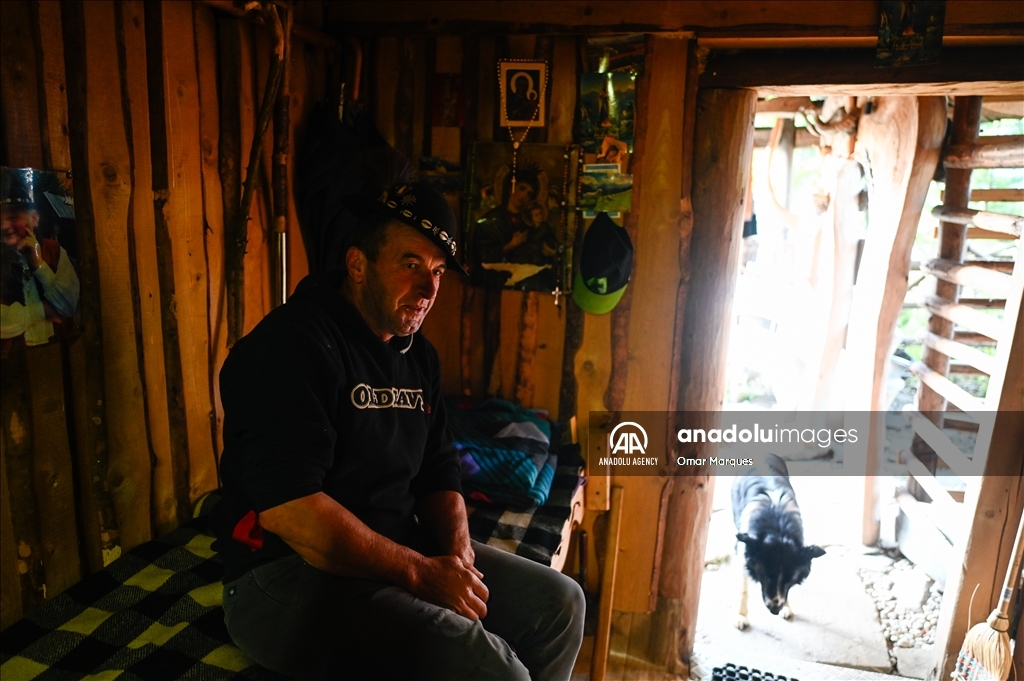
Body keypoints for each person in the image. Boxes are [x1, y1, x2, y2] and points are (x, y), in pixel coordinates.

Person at [212, 181, 585, 681]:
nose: (429, 290)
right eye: (411, 264)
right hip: (288, 574)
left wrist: (457, 557)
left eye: (437, 271)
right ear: (357, 264)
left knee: (560, 604)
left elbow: (439, 469)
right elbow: (291, 510)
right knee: (495, 670)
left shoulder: (418, 357)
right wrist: (419, 572)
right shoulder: (291, 347)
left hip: (395, 550)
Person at [0, 168, 80, 349]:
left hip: (59, 349)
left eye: (13, 217)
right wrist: (44, 311)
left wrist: (39, 265)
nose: (4, 226)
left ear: (35, 219)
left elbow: (69, 305)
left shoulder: (53, 250)